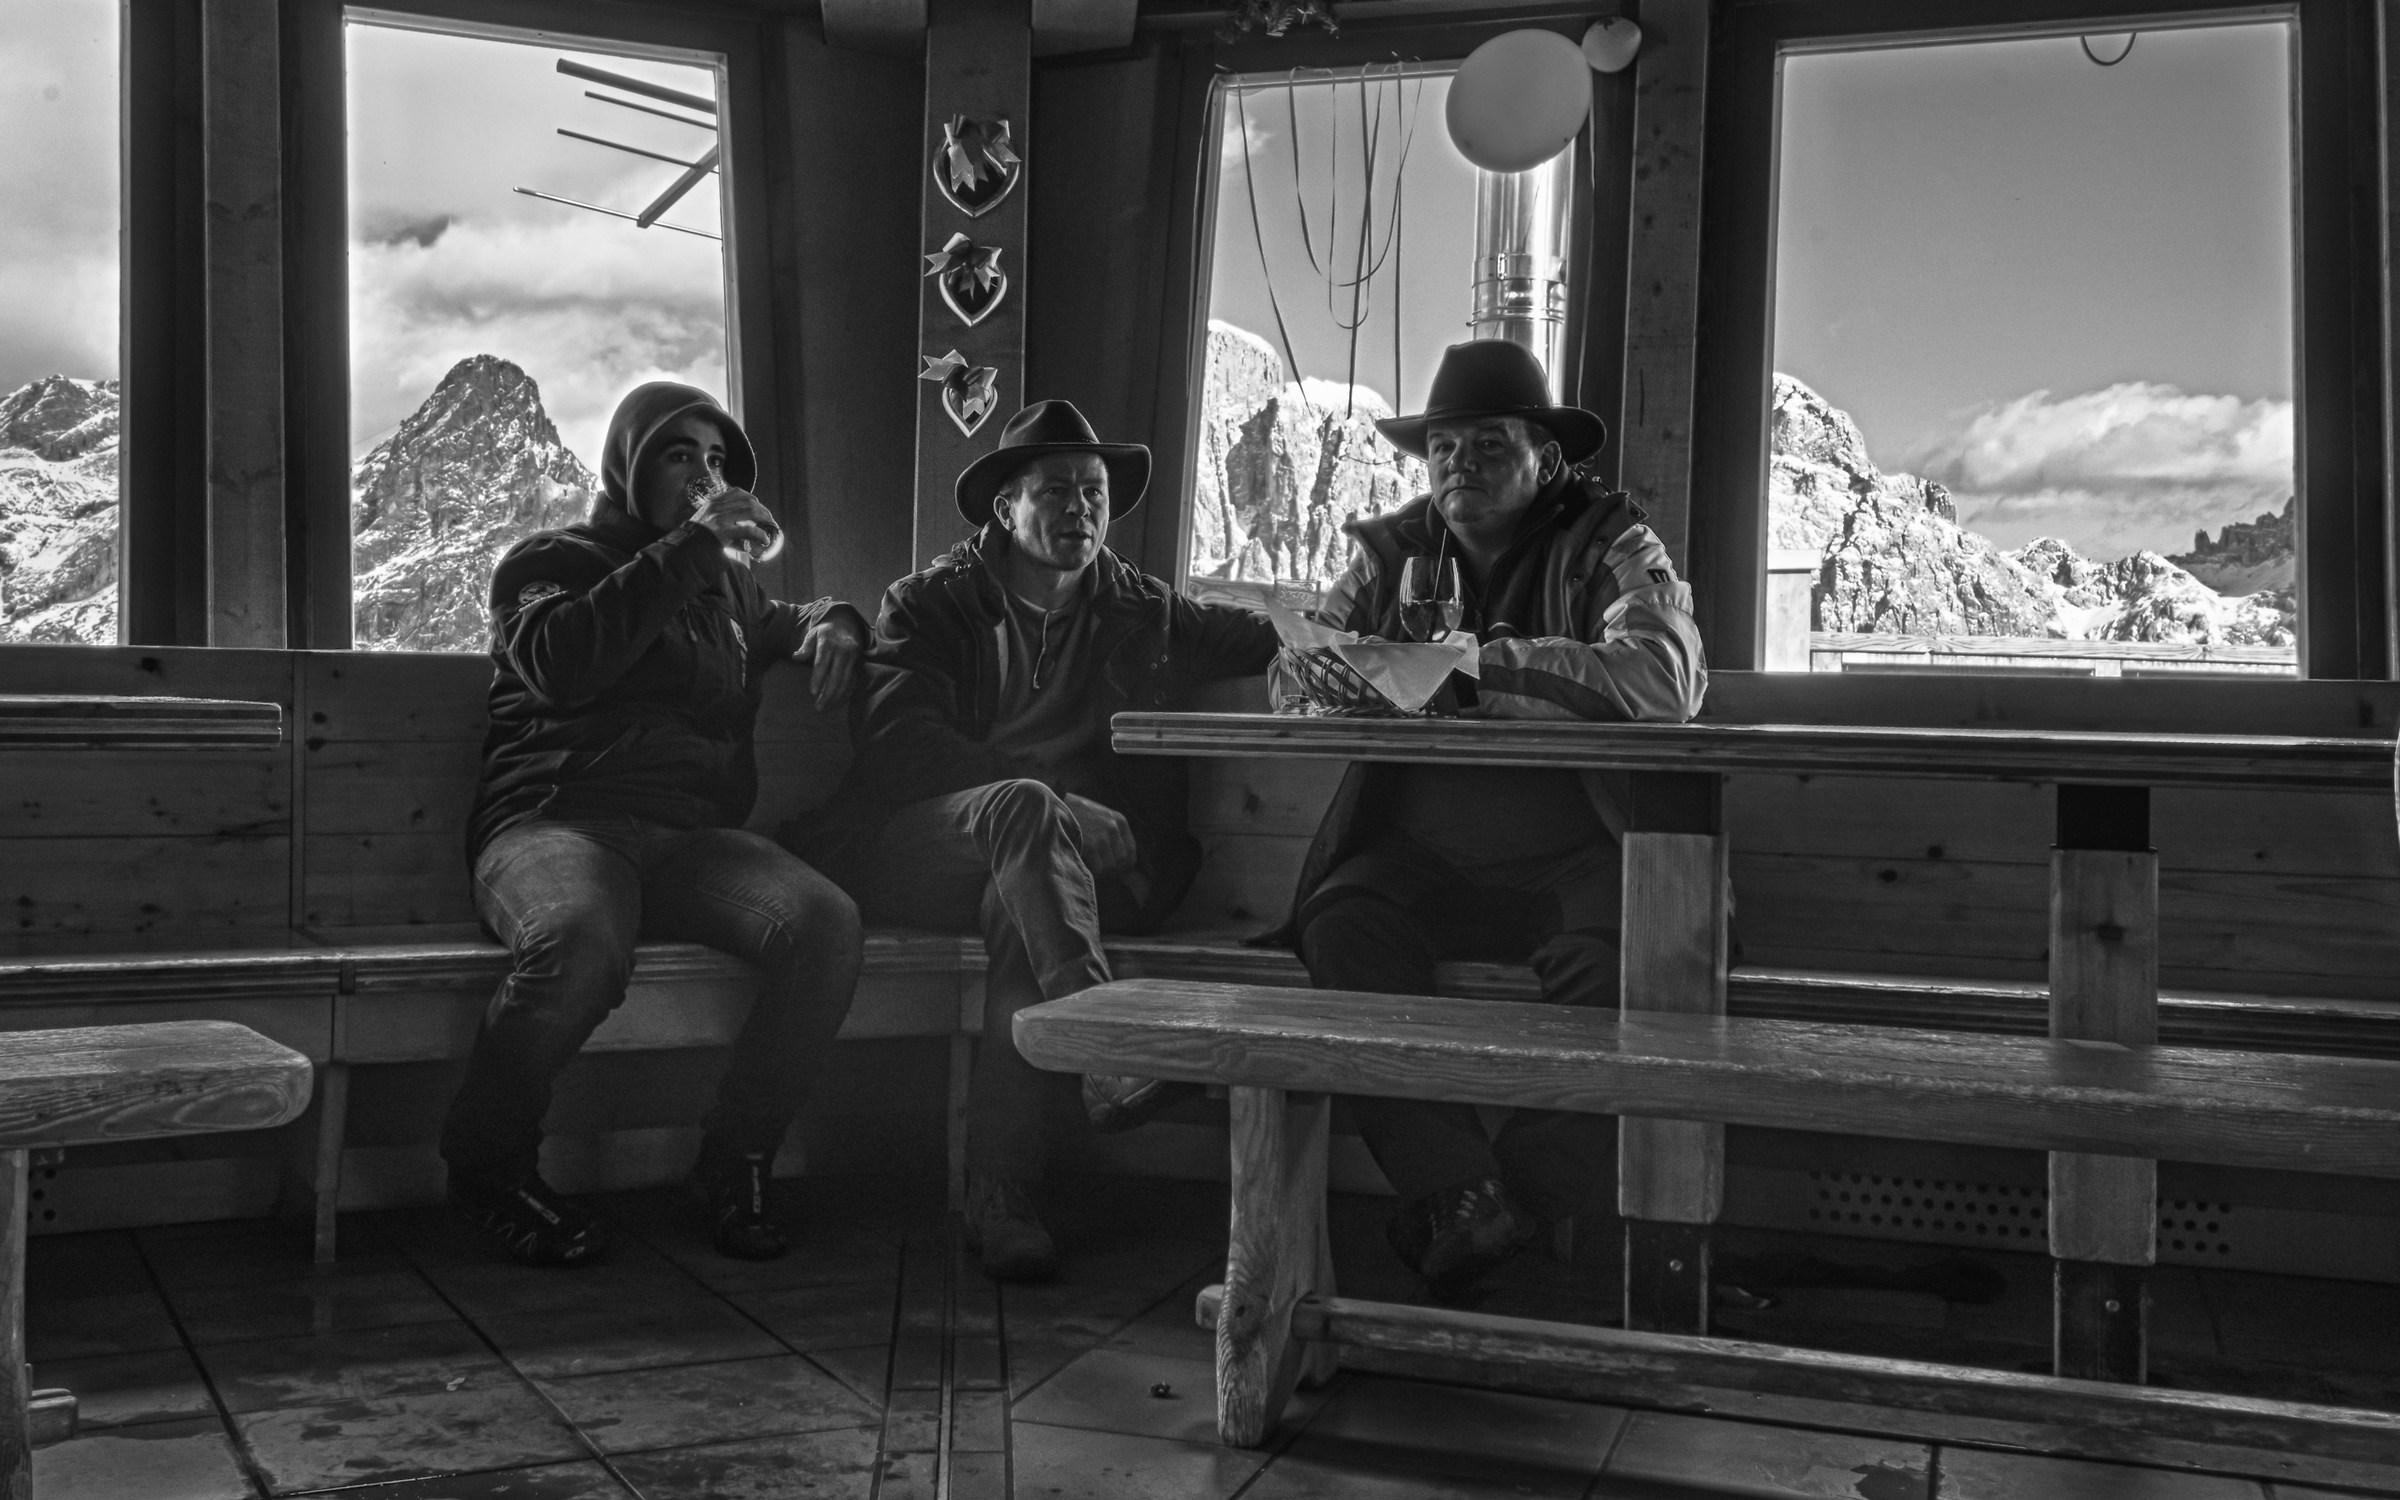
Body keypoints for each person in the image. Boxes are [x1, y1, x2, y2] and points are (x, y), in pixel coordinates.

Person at [808, 400, 1278, 1280]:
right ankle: (1103, 1050)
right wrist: (1055, 799)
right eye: (1056, 490)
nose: (1081, 510)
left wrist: (1390, 645)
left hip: (1052, 877)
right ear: (1005, 508)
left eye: (1094, 493)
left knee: (1018, 912)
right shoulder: (931, 603)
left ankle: (1002, 1199)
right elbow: (900, 749)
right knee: (1024, 809)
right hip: (922, 847)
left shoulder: (1146, 611)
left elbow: (1268, 634)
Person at [1285, 339, 1707, 1297]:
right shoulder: (1387, 553)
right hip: (1423, 855)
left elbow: (1663, 681)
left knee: (1640, 971)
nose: (1455, 468)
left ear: (1545, 459)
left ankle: (1499, 1201)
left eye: (1486, 445)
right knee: (1340, 927)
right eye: (1440, 449)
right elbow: (1301, 673)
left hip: (1582, 851)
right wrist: (1330, 678)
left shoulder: (1614, 544)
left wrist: (1475, 667)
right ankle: (1464, 1191)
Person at [443, 382, 870, 1269]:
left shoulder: (728, 593)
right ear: (630, 464)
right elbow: (564, 665)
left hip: (685, 843)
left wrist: (837, 622)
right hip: (554, 822)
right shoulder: (547, 561)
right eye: (681, 455)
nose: (705, 475)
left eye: (717, 461)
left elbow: (790, 616)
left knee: (824, 924)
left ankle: (734, 1158)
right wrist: (691, 546)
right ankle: (485, 1165)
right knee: (577, 939)